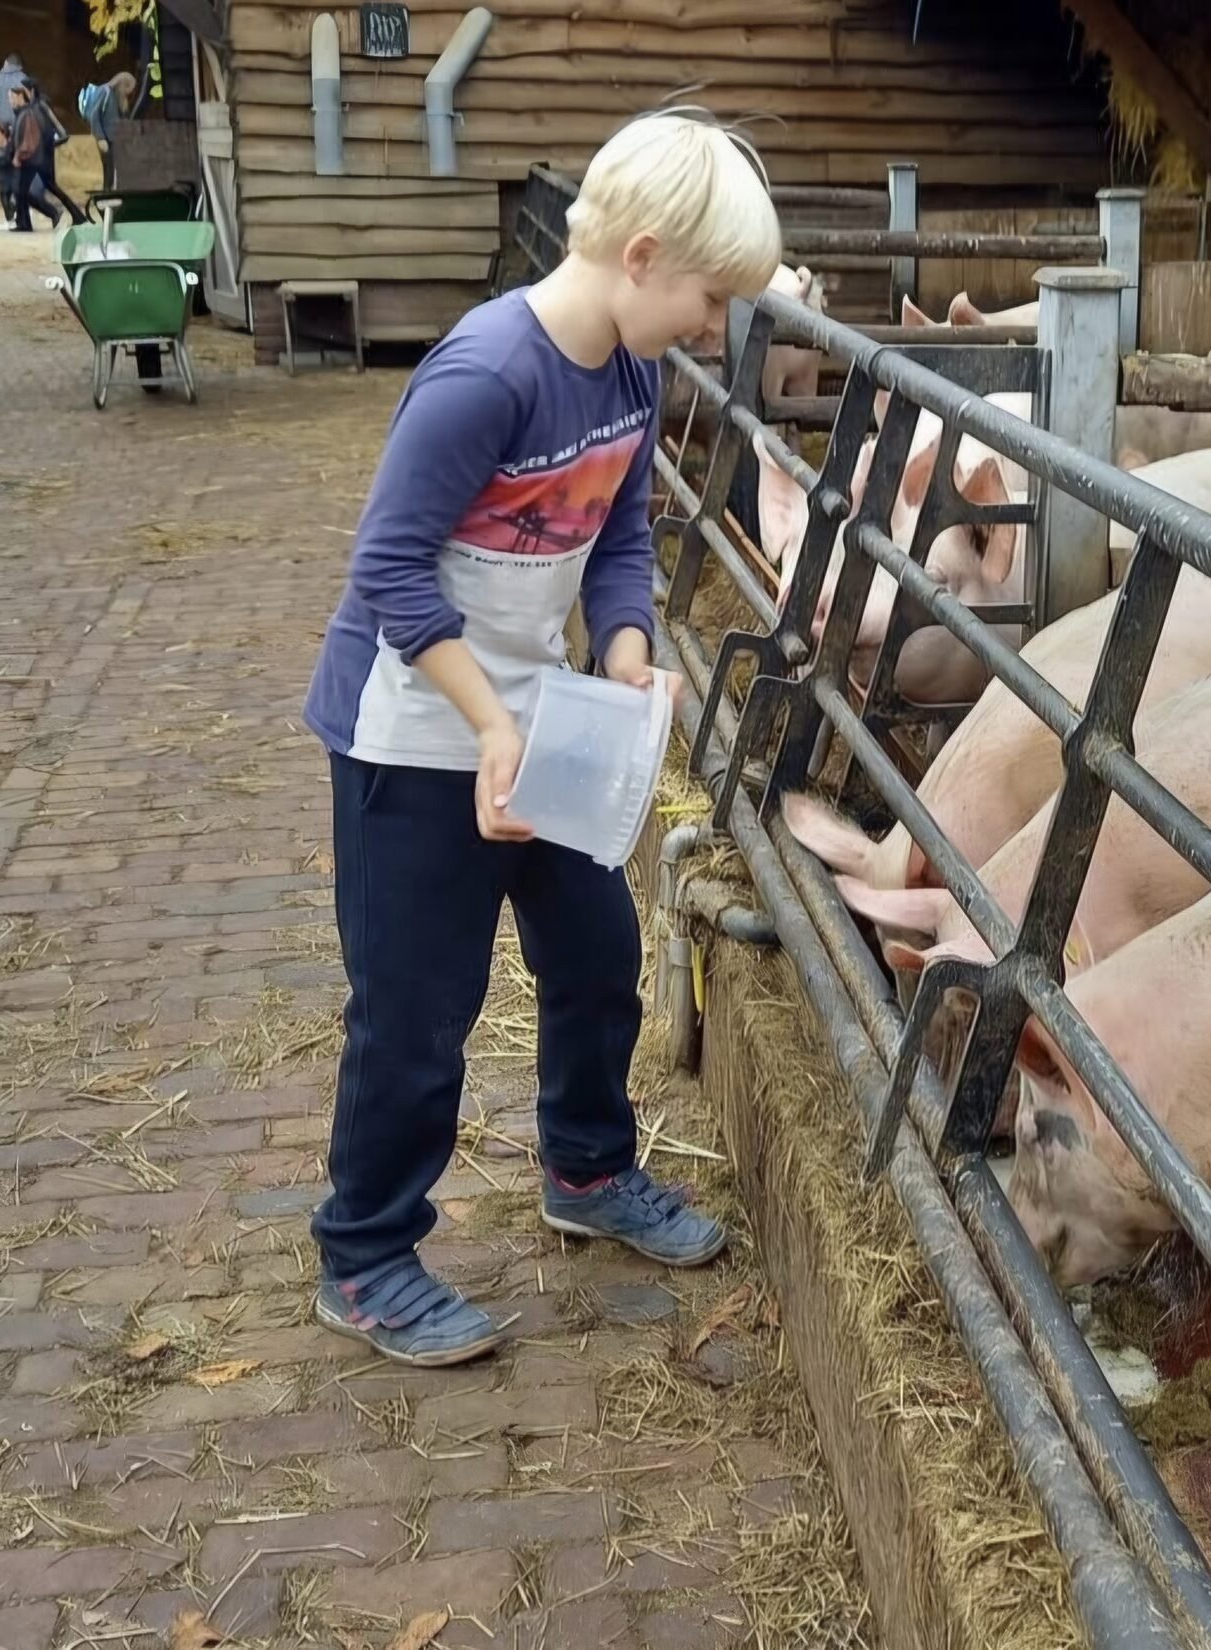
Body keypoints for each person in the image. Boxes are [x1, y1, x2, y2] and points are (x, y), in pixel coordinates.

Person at [299, 112, 781, 1366]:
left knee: (594, 949)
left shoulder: (629, 372)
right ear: (641, 253)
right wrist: (485, 721)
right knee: (416, 1007)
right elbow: (392, 571)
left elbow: (617, 538)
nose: (711, 328)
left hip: (539, 710)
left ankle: (585, 1168)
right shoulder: (485, 374)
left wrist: (624, 651)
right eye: (709, 296)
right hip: (416, 730)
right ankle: (364, 1249)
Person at [7, 79, 88, 232]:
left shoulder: (42, 105)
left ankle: (67, 215)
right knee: (26, 189)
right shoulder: (29, 109)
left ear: (30, 91)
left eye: (23, 91)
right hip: (35, 157)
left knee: (39, 188)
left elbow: (62, 133)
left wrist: (47, 147)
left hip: (43, 158)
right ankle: (68, 215)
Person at [78, 71, 137, 191]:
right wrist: (100, 138)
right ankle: (106, 193)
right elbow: (95, 115)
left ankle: (112, 192)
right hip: (106, 139)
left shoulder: (117, 97)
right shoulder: (105, 91)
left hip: (116, 140)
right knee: (108, 169)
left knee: (115, 169)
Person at [0, 55, 28, 230]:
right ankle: (18, 207)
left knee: (3, 174)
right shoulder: (24, 79)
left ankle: (9, 214)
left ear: (6, 63)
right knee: (20, 171)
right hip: (20, 129)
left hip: (2, 133)